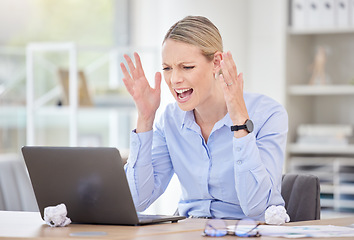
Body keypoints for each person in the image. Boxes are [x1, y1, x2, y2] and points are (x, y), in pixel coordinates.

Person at [120, 15, 288, 221]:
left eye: (187, 67)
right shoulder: (170, 120)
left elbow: (256, 206)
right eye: (167, 68)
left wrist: (240, 122)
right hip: (189, 231)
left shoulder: (268, 114)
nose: (174, 79)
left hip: (247, 232)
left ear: (216, 62)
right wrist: (145, 119)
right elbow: (136, 201)